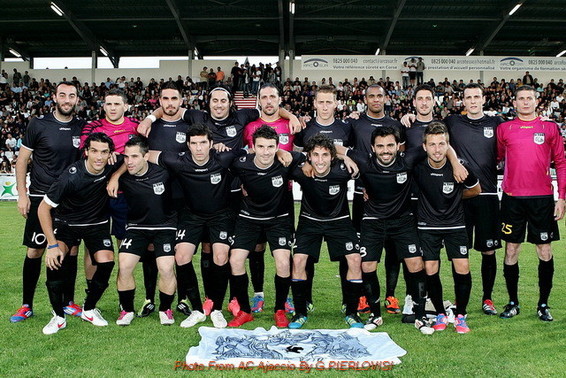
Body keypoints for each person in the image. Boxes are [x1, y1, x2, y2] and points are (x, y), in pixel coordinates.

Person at [148, 124, 246, 329]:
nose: (199, 148)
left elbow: (251, 150)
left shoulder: (223, 158)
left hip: (221, 215)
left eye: (203, 143)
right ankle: (197, 310)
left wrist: (282, 151)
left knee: (220, 256)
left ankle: (217, 308)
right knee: (182, 256)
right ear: (188, 145)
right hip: (191, 215)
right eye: (194, 143)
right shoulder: (177, 160)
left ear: (211, 144)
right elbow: (146, 154)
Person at [340, 126, 434, 334]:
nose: (385, 150)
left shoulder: (407, 159)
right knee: (368, 266)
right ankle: (375, 315)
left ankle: (420, 317)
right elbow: (335, 147)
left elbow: (438, 143)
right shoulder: (365, 160)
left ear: (398, 146)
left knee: (416, 264)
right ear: (373, 148)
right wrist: (346, 158)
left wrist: (454, 162)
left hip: (403, 221)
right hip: (373, 221)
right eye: (380, 146)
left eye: (390, 145)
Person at [11, 81, 85, 323]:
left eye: (71, 96)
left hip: (70, 200)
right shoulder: (38, 124)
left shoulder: (82, 127)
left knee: (71, 249)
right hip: (41, 197)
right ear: (54, 97)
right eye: (62, 95)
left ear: (77, 100)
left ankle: (68, 301)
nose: (67, 99)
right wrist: (22, 195)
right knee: (35, 250)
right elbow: (22, 161)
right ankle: (26, 305)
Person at [497, 85, 566, 321]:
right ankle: (513, 302)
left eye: (530, 98)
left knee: (544, 249)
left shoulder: (549, 128)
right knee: (511, 249)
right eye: (521, 99)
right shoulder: (504, 129)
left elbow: (561, 163)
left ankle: (543, 304)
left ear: (537, 101)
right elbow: (495, 158)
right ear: (514, 103)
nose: (525, 102)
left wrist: (562, 197)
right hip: (512, 199)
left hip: (542, 199)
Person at [38, 133, 117, 334]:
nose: (99, 157)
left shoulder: (111, 165)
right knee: (56, 260)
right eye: (94, 151)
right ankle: (58, 316)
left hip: (96, 224)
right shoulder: (70, 177)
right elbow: (43, 208)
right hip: (67, 224)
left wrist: (115, 176)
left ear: (110, 154)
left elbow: (126, 162)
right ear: (86, 152)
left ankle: (89, 309)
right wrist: (52, 245)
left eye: (104, 152)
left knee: (107, 261)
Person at [227, 125, 304, 328]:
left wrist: (283, 152)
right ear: (253, 146)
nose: (266, 152)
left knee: (283, 262)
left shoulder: (286, 161)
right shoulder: (241, 163)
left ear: (278, 146)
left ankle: (279, 309)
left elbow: (308, 157)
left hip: (278, 219)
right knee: (235, 260)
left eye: (271, 147)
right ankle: (244, 311)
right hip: (248, 218)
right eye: (261, 146)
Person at [413, 122, 481, 334]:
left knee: (462, 267)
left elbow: (476, 189)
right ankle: (441, 312)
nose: (437, 149)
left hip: (455, 224)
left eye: (441, 144)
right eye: (432, 144)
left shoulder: (459, 166)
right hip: (427, 226)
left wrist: (453, 197)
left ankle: (460, 315)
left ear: (447, 145)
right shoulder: (418, 167)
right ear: (424, 147)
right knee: (431, 269)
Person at [289, 134, 362, 329]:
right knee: (298, 260)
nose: (320, 160)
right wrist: (302, 161)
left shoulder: (343, 170)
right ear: (310, 157)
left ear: (332, 157)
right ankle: (299, 313)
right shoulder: (301, 172)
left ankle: (352, 313)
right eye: (315, 155)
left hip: (339, 221)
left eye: (324, 155)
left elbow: (364, 160)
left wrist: (346, 157)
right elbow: (285, 155)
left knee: (354, 259)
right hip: (309, 221)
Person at [445, 83, 503, 315]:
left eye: (476, 96)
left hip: (488, 196)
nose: (472, 101)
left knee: (488, 251)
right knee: (461, 251)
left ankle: (487, 299)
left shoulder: (496, 123)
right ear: (463, 101)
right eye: (468, 97)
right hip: (463, 196)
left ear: (483, 99)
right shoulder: (452, 122)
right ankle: (461, 302)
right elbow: (431, 133)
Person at [350, 84, 406, 315]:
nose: (375, 99)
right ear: (364, 99)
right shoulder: (354, 122)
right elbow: (341, 148)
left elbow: (403, 156)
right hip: (362, 194)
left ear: (386, 98)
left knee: (393, 251)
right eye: (371, 96)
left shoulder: (396, 125)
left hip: (392, 195)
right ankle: (364, 296)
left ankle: (391, 295)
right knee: (363, 250)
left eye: (379, 96)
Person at [110, 136, 177, 326]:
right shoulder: (123, 176)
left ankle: (165, 309)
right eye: (126, 157)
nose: (129, 162)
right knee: (124, 265)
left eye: (134, 157)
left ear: (146, 156)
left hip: (164, 226)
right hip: (136, 228)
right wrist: (114, 177)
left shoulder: (164, 173)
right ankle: (127, 310)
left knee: (165, 268)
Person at [80, 89, 139, 297]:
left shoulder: (136, 127)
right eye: (108, 104)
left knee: (124, 244)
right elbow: (85, 149)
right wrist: (107, 153)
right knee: (93, 245)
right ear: (103, 106)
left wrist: (118, 169)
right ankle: (91, 292)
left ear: (125, 106)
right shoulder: (93, 127)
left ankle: (124, 296)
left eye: (116, 104)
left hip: (125, 194)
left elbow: (140, 154)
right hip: (96, 194)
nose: (112, 108)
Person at [242, 83, 295, 314]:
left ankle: (287, 297)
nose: (269, 101)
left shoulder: (289, 124)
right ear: (259, 101)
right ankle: (258, 294)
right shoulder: (251, 126)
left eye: (273, 96)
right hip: (255, 196)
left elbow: (298, 153)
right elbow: (246, 155)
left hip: (283, 195)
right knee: (257, 248)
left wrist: (284, 151)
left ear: (279, 99)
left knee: (284, 250)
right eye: (264, 97)